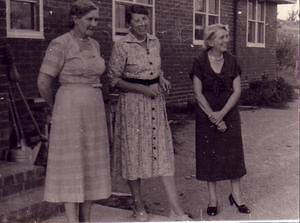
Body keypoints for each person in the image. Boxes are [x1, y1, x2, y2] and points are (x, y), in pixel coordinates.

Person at [108, 5, 190, 222]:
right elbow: (114, 80)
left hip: (155, 105)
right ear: (129, 23)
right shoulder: (121, 45)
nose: (142, 24)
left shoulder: (155, 42)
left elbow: (154, 68)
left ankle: (176, 210)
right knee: (133, 154)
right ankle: (139, 207)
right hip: (133, 106)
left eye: (145, 19)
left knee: (162, 152)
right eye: (137, 20)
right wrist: (143, 89)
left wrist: (161, 78)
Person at [37, 0, 111, 222]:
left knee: (90, 163)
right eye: (89, 19)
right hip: (69, 111)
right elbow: (43, 82)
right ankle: (71, 219)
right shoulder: (59, 44)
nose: (94, 24)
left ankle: (86, 219)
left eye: (96, 19)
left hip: (94, 111)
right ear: (75, 18)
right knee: (72, 164)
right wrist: (56, 107)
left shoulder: (95, 45)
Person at [190, 24, 251, 216]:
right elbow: (198, 93)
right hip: (206, 113)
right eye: (221, 37)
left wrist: (222, 114)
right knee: (210, 155)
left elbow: (237, 90)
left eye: (227, 36)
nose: (226, 40)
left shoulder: (232, 61)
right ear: (210, 41)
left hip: (229, 112)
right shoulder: (199, 62)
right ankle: (212, 200)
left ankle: (237, 195)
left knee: (234, 155)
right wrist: (213, 117)